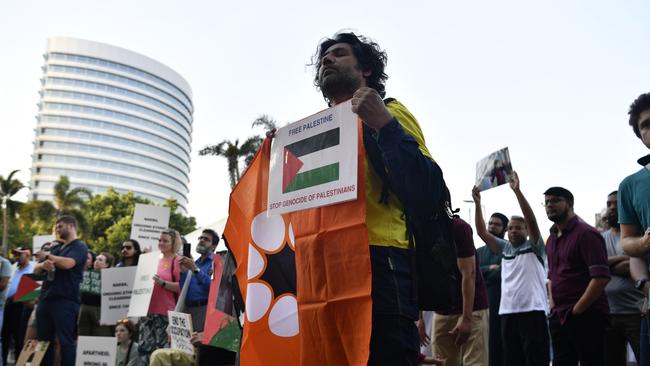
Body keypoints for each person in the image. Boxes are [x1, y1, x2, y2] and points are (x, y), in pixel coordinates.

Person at [312, 31, 444, 365]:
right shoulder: (314, 137)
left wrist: (384, 125)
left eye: (339, 53)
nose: (327, 60)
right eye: (324, 58)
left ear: (366, 70)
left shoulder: (392, 112)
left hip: (380, 263)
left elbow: (430, 190)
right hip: (323, 270)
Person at [472, 172, 549, 366]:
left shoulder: (535, 246)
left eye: (518, 227)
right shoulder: (505, 248)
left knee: (534, 359)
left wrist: (517, 191)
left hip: (533, 311)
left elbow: (531, 221)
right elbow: (481, 232)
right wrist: (477, 203)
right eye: (511, 228)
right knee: (511, 359)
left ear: (526, 231)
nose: (513, 230)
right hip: (507, 312)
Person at [544, 187, 610, 366]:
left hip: (587, 316)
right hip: (559, 316)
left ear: (570, 204)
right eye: (547, 202)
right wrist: (553, 305)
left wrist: (577, 310)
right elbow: (552, 276)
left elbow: (601, 277)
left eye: (556, 200)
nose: (550, 205)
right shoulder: (551, 239)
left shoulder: (586, 234)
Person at [429, 188, 488, 366]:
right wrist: (419, 320)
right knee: (443, 362)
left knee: (474, 363)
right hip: (441, 310)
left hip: (471, 308)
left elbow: (468, 273)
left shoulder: (458, 228)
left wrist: (467, 318)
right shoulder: (421, 229)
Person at [618, 92, 650, 365]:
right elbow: (628, 244)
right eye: (646, 124)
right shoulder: (630, 185)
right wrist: (644, 243)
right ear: (640, 135)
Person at [32, 215, 89, 366]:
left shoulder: (79, 246)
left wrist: (49, 256)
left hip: (65, 301)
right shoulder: (56, 247)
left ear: (71, 226)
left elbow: (68, 264)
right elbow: (35, 269)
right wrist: (43, 266)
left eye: (60, 225)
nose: (57, 229)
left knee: (66, 342)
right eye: (56, 226)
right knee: (43, 342)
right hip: (45, 300)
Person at [602, 190, 643, 364]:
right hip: (609, 314)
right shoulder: (600, 238)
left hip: (637, 313)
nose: (612, 208)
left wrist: (606, 265)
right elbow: (594, 267)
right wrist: (625, 258)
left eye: (616, 204)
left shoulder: (638, 236)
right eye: (609, 204)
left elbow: (633, 267)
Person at [138, 229, 182, 365]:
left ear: (173, 243)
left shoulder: (177, 260)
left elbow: (182, 286)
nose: (161, 243)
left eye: (165, 241)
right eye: (160, 240)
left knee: (161, 351)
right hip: (147, 312)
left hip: (165, 314)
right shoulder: (154, 260)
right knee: (145, 350)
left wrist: (163, 283)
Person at [475, 213, 507, 366]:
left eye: (497, 224)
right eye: (491, 223)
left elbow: (504, 272)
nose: (492, 227)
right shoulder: (478, 251)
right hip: (481, 303)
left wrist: (483, 272)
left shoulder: (507, 249)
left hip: (501, 302)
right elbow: (471, 273)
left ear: (504, 229)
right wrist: (489, 269)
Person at [179, 229, 218, 332]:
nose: (201, 240)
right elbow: (184, 288)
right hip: (187, 309)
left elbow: (213, 287)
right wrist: (183, 272)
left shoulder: (216, 263)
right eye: (200, 238)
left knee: (198, 345)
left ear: (213, 246)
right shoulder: (195, 262)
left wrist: (195, 269)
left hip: (203, 309)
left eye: (206, 239)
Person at [2, 247, 34, 365]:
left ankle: (19, 363)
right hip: (9, 305)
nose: (17, 257)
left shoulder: (32, 269)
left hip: (22, 305)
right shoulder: (14, 267)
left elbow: (31, 290)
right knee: (5, 335)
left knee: (19, 336)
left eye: (19, 255)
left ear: (27, 255)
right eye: (15, 255)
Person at [78, 252, 114, 336]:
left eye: (100, 260)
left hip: (99, 310)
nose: (96, 261)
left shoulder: (112, 276)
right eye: (96, 259)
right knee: (83, 335)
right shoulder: (86, 273)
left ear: (107, 264)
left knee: (101, 334)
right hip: (84, 309)